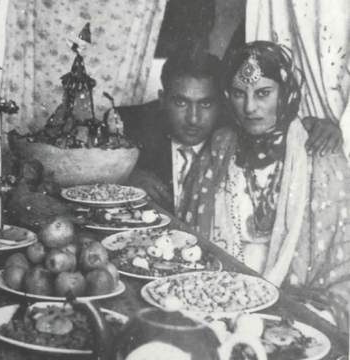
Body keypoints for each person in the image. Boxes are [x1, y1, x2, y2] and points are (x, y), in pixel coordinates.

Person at [182, 41, 350, 330]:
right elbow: (189, 238)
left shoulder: (320, 153)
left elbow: (342, 267)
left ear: (285, 93)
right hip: (219, 295)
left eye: (263, 93)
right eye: (238, 93)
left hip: (295, 306)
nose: (249, 107)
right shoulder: (219, 148)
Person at [120, 52, 343, 216]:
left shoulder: (237, 132)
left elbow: (284, 125)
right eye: (181, 102)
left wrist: (322, 126)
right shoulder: (129, 127)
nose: (193, 118)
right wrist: (121, 175)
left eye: (206, 104)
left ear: (223, 103)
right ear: (162, 99)